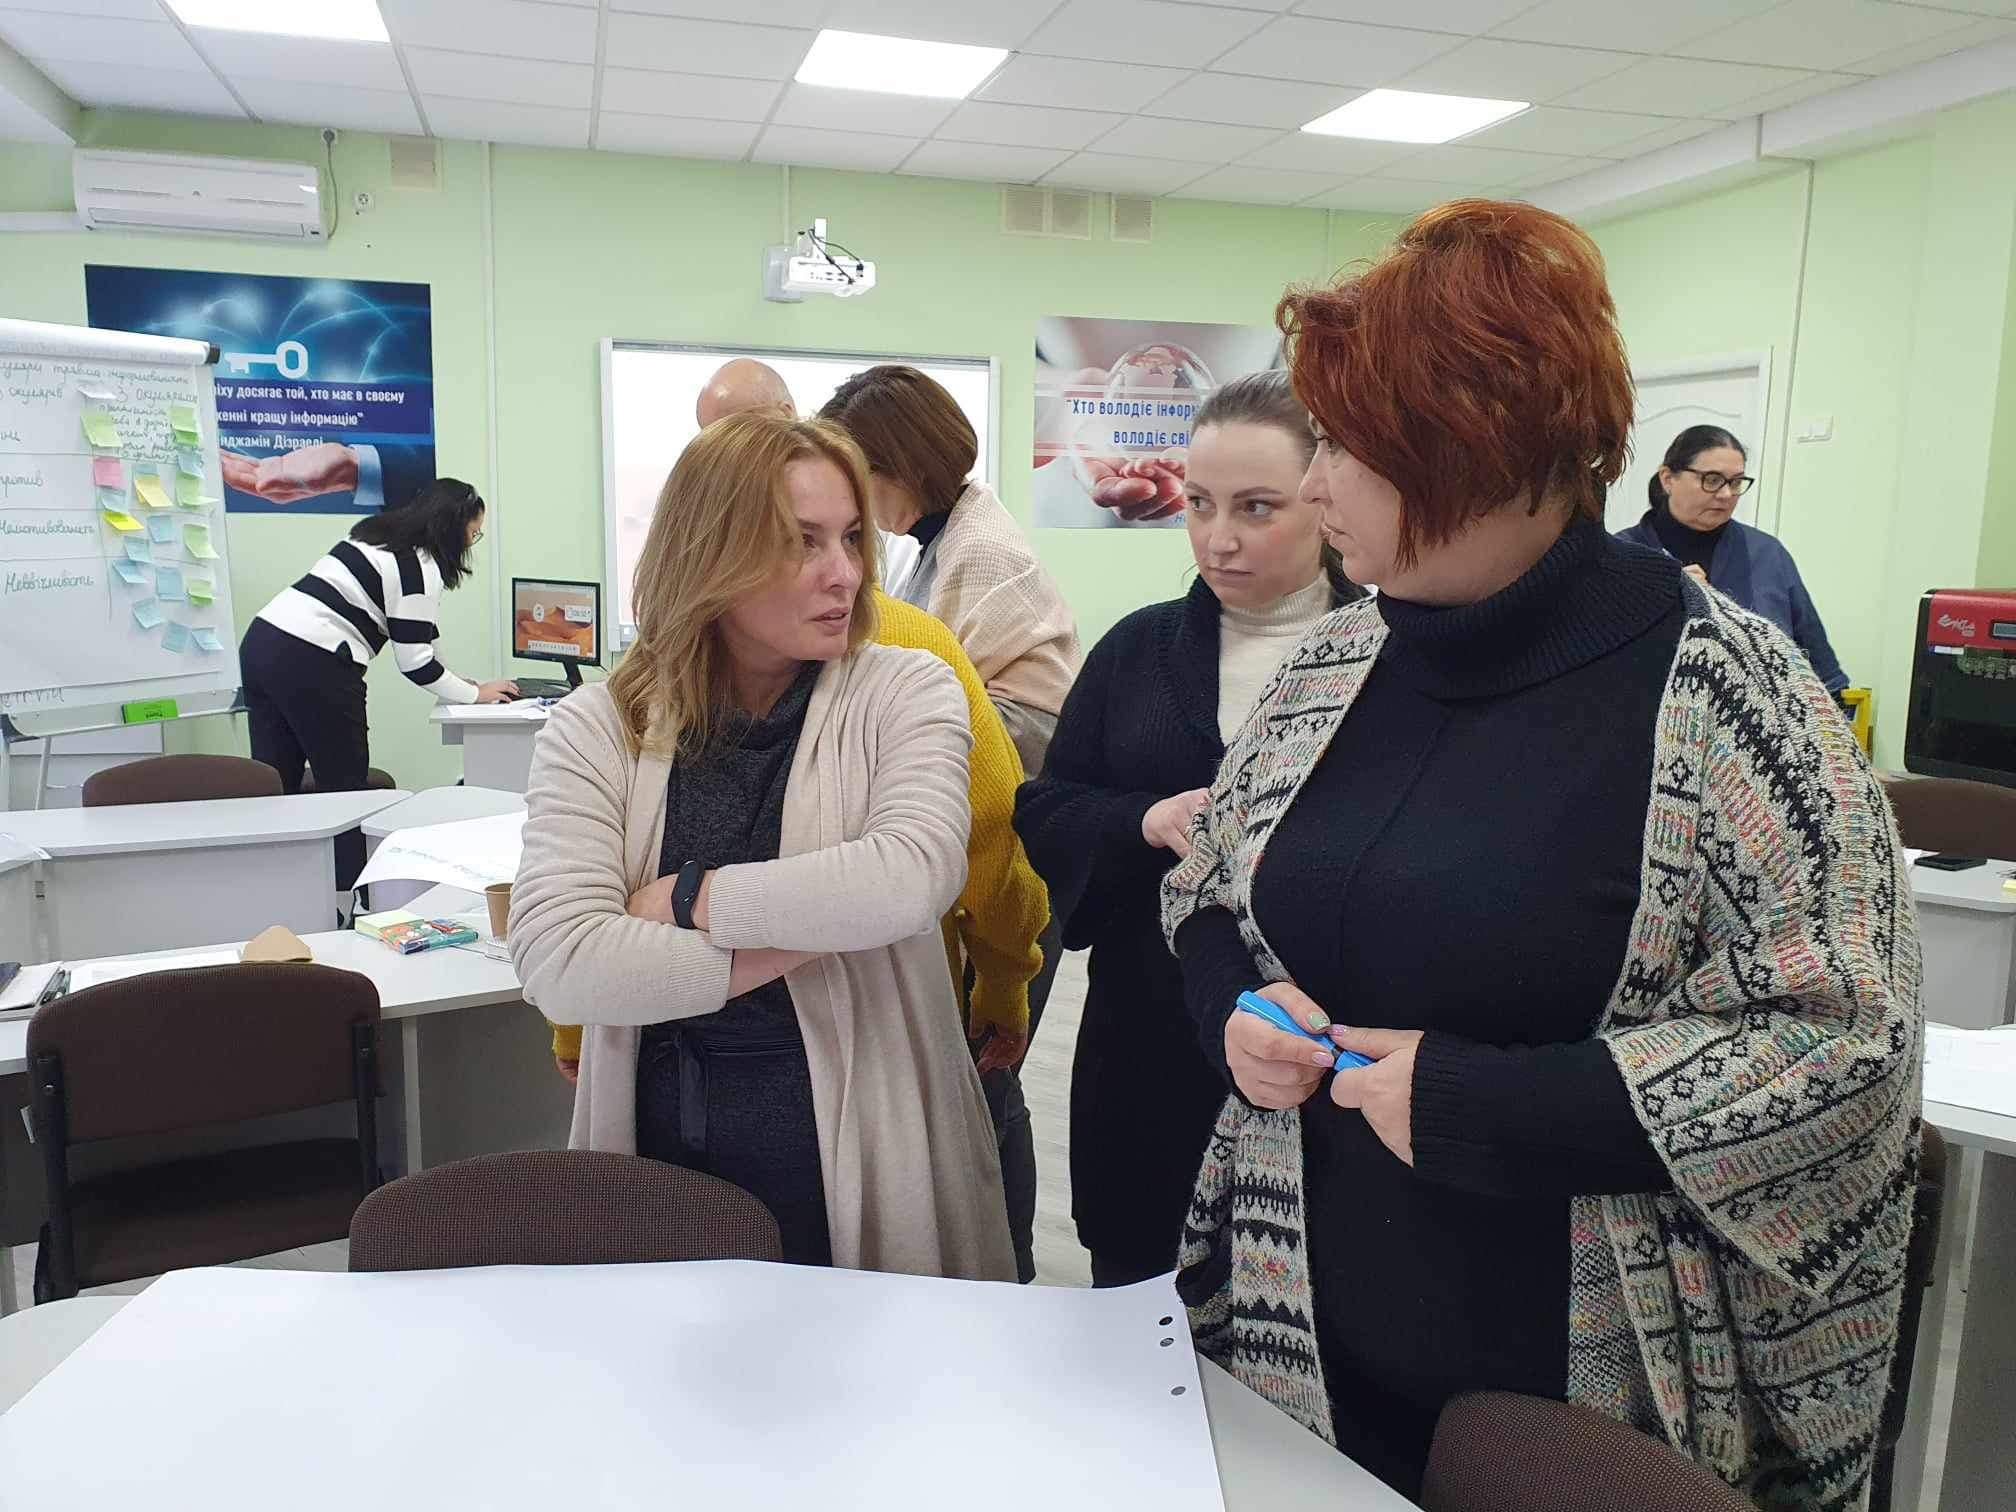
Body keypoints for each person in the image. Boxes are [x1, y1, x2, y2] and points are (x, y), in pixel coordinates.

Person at [1162, 200, 1920, 1508]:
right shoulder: (1338, 659)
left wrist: (1485, 1105)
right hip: (1302, 1336)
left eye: (1352, 447)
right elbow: (1207, 887)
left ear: (1481, 447)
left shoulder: (1732, 693)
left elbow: (1842, 1043)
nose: (1320, 484)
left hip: (1586, 1399)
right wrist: (1233, 1007)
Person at [545, 355, 1051, 1279]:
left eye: (853, 538)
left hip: (869, 1135)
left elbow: (914, 876)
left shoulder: (909, 685)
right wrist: (820, 928)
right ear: (708, 552)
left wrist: (687, 899)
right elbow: (561, 962)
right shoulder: (599, 724)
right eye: (802, 542)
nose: (845, 574)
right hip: (662, 1144)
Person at [1015, 373, 1363, 1288]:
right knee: (1140, 1288)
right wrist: (1144, 819)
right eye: (1200, 504)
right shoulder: (1139, 650)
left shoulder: (1390, 652)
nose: (1219, 538)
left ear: (1325, 496)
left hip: (1320, 1048)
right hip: (1150, 1033)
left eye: (1257, 507)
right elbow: (1047, 808)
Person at [239, 478, 515, 889]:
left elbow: (423, 633)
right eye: (473, 533)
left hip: (262, 643)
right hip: (316, 660)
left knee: (277, 782)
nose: (472, 543)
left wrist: (460, 681)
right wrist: (475, 695)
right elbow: (415, 663)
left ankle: (277, 889)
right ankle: (351, 897)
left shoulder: (376, 537)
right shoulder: (420, 568)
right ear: (450, 527)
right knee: (347, 792)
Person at [818, 364, 1080, 776]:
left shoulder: (978, 548)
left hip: (1021, 748)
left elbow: (926, 679)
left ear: (906, 468)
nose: (853, 497)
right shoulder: (942, 533)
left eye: (857, 477)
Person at [1617, 424, 1850, 695]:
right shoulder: (1623, 554)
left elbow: (1822, 672)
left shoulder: (1767, 554)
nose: (1726, 494)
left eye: (1736, 482)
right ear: (1668, 478)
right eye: (1712, 480)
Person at [695, 357, 919, 596]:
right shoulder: (716, 516)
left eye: (740, 429)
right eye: (714, 440)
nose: (728, 452)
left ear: (785, 413)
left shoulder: (860, 498)